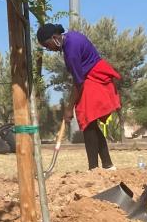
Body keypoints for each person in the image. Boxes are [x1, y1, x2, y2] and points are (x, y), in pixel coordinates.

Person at [36, 23, 122, 170]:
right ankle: (106, 165)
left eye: (46, 45)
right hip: (90, 78)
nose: (48, 49)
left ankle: (95, 168)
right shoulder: (71, 38)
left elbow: (79, 82)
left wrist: (69, 109)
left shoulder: (71, 49)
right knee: (90, 124)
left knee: (88, 122)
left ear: (54, 37)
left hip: (94, 78)